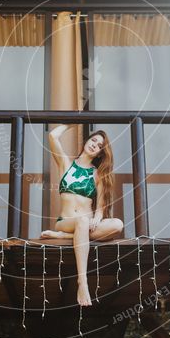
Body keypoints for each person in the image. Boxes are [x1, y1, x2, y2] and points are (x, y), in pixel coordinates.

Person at [41, 124, 123, 306]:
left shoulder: (98, 175)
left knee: (117, 224)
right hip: (66, 221)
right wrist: (74, 121)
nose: (95, 145)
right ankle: (82, 281)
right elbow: (53, 136)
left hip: (86, 224)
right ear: (87, 141)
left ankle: (67, 237)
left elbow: (100, 208)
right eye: (93, 140)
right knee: (82, 220)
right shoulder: (66, 164)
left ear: (100, 153)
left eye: (100, 146)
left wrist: (97, 219)